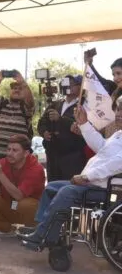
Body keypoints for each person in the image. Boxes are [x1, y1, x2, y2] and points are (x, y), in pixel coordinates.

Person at [20, 101, 122, 248]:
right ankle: (43, 230)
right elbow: (101, 146)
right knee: (51, 188)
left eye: (121, 111)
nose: (118, 114)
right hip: (92, 184)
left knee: (66, 191)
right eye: (117, 110)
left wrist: (87, 176)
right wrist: (84, 124)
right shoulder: (119, 134)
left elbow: (116, 164)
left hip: (105, 189)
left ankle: (42, 236)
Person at [0, 135, 45, 233]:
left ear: (26, 153)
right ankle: (6, 230)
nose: (9, 153)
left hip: (30, 208)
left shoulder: (36, 168)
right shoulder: (3, 163)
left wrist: (0, 173)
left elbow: (19, 196)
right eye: (8, 149)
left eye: (15, 150)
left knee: (25, 204)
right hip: (10, 205)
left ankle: (33, 232)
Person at [36, 75, 86, 181]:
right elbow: (42, 122)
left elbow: (82, 126)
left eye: (72, 84)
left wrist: (61, 119)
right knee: (52, 187)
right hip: (52, 154)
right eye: (65, 84)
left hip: (72, 156)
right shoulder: (55, 105)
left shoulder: (84, 105)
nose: (68, 87)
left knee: (68, 188)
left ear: (79, 87)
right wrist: (44, 132)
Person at [0, 70, 35, 159]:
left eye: (20, 89)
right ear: (10, 91)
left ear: (24, 92)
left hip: (17, 158)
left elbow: (30, 101)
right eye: (14, 88)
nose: (17, 90)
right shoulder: (2, 103)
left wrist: (22, 82)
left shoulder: (25, 108)